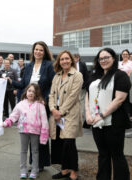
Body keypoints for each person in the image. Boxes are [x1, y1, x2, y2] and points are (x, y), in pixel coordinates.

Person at [85, 48, 131, 180]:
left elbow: (120, 99)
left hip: (114, 123)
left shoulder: (120, 75)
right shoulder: (94, 76)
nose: (103, 60)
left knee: (117, 155)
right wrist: (88, 113)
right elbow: (88, 94)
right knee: (103, 154)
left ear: (113, 58)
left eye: (106, 57)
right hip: (96, 123)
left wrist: (102, 115)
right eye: (101, 58)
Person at [9, 41, 54, 171]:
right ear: (33, 51)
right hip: (30, 106)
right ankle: (34, 162)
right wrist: (10, 81)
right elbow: (23, 83)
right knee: (30, 134)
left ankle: (40, 163)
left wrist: (45, 99)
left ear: (44, 52)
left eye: (41, 50)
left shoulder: (49, 65)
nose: (38, 52)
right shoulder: (29, 66)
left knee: (41, 135)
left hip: (42, 104)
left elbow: (53, 84)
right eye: (36, 50)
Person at [2, 83, 49, 179]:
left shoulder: (40, 105)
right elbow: (14, 115)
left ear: (37, 94)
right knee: (23, 151)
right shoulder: (20, 104)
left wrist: (44, 134)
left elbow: (44, 120)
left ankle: (34, 170)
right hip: (23, 131)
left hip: (35, 132)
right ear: (26, 92)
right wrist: (7, 123)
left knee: (35, 151)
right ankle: (23, 170)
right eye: (29, 91)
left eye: (33, 91)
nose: (31, 93)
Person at [49, 50, 83, 180]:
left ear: (71, 60)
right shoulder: (56, 76)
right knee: (60, 142)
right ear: (59, 62)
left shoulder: (77, 75)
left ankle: (74, 172)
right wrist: (52, 109)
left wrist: (60, 112)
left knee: (69, 142)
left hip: (69, 113)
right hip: (56, 113)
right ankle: (64, 170)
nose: (64, 61)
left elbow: (73, 97)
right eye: (62, 59)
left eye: (67, 59)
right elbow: (51, 94)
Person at [73, 53, 89, 123]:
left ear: (79, 58)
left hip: (82, 86)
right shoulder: (70, 64)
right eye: (74, 57)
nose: (75, 59)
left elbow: (86, 75)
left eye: (76, 57)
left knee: (82, 102)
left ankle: (82, 119)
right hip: (72, 87)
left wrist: (85, 85)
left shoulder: (82, 64)